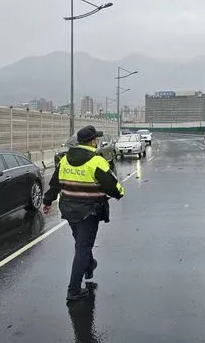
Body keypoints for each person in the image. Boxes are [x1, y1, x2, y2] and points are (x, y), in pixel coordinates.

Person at [43, 125, 125, 302]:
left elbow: (55, 183)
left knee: (81, 243)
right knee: (82, 247)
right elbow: (112, 186)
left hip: (68, 210)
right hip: (89, 212)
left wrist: (47, 201)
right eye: (96, 139)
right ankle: (73, 289)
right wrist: (120, 193)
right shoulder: (96, 161)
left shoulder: (65, 160)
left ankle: (89, 265)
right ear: (93, 141)